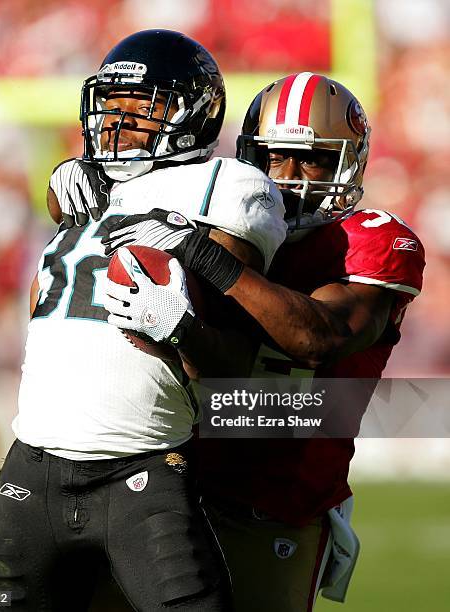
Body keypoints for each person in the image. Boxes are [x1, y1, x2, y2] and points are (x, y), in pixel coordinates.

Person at [0, 30, 288, 612]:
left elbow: (235, 350)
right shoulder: (89, 185)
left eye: (138, 110)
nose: (117, 124)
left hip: (141, 469)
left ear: (193, 115)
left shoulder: (226, 186)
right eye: (109, 108)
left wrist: (180, 323)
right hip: (31, 468)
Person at [101, 73, 425, 611]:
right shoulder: (227, 214)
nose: (289, 178)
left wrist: (205, 256)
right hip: (171, 481)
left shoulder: (369, 239)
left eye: (313, 159)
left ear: (350, 163)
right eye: (273, 157)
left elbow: (319, 337)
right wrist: (81, 179)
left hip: (278, 504)